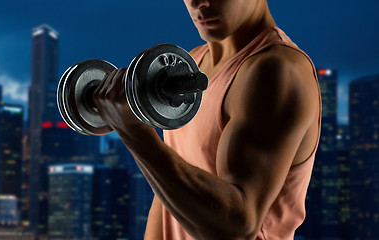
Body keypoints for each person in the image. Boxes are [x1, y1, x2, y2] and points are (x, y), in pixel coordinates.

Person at [93, 0, 321, 239]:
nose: (197, 2)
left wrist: (136, 132)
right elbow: (168, 191)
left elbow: (238, 227)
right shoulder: (192, 62)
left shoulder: (277, 70)